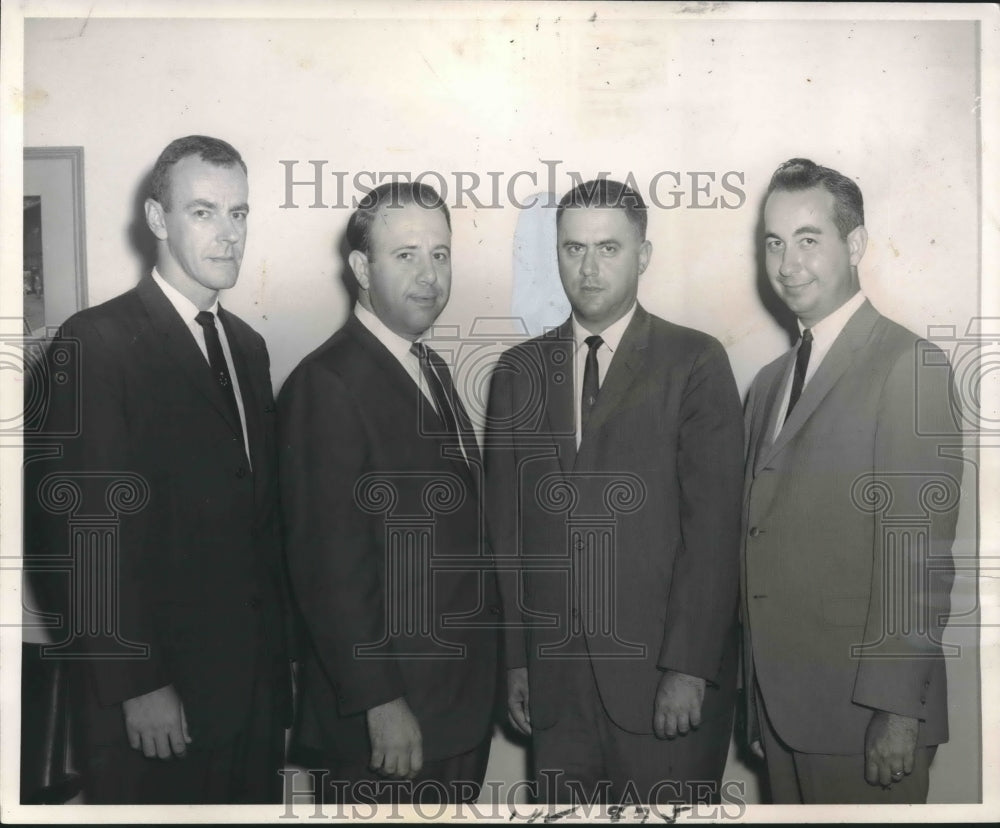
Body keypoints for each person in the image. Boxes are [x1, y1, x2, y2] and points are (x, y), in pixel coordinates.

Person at [24, 135, 293, 803]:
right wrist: (135, 683)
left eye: (239, 213)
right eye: (203, 212)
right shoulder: (96, 341)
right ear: (156, 220)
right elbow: (80, 537)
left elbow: (256, 521)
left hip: (248, 694)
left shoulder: (248, 347)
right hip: (153, 700)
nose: (229, 234)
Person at [485, 179, 744, 805]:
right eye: (573, 249)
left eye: (609, 248)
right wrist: (517, 660)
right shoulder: (517, 373)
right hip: (557, 689)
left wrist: (688, 668)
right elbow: (506, 534)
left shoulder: (695, 362)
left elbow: (713, 532)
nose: (590, 268)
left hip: (662, 685)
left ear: (644, 254)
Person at [740, 158, 962, 803]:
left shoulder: (909, 363)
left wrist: (897, 712)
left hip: (867, 723)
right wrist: (758, 701)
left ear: (856, 244)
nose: (788, 263)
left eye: (809, 239)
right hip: (783, 716)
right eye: (774, 243)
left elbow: (917, 559)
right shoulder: (768, 386)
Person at [278, 182, 499, 805]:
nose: (429, 274)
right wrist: (380, 701)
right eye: (405, 255)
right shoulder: (327, 383)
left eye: (440, 253)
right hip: (390, 721)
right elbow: (328, 569)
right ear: (360, 268)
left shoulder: (428, 366)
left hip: (453, 706)